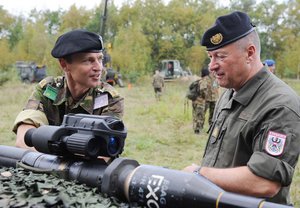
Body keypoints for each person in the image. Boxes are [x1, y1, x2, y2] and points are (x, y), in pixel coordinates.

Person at [183, 11, 300, 205]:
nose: (212, 66)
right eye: (210, 57)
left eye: (220, 56)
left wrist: (198, 173)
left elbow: (265, 182)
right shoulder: (229, 92)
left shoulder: (280, 104)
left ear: (250, 53)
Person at [13, 29, 124, 150]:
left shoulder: (108, 98)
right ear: (64, 65)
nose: (99, 67)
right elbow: (24, 138)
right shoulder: (49, 89)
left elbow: (105, 152)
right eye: (88, 60)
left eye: (100, 59)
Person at [191, 68, 210, 134]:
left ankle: (196, 129)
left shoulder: (199, 80)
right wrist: (205, 96)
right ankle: (197, 131)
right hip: (200, 102)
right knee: (200, 116)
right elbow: (203, 89)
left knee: (196, 115)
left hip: (195, 101)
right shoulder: (204, 80)